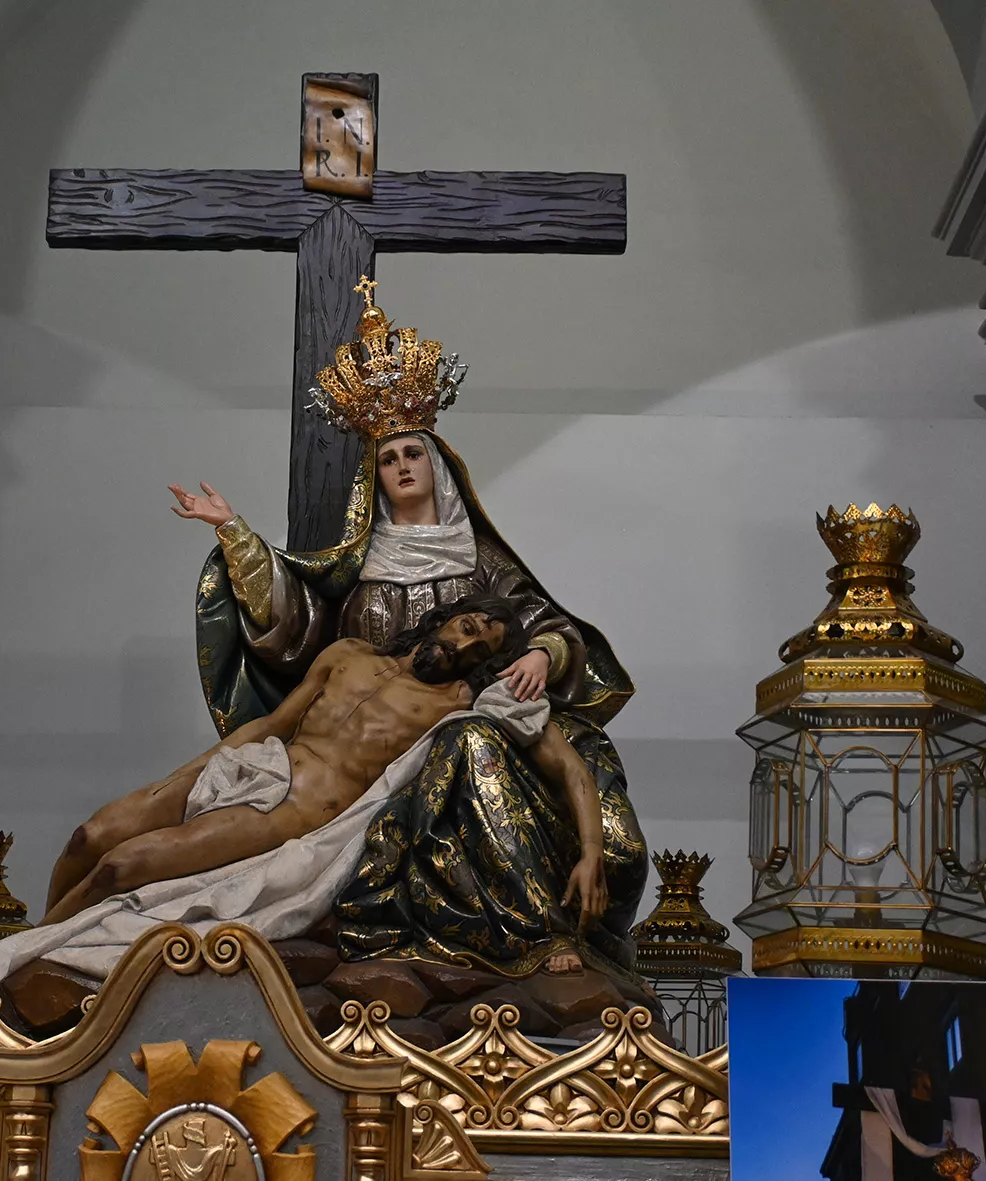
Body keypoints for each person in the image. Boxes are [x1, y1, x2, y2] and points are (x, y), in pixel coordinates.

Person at [172, 277, 646, 982]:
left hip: (476, 715)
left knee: (619, 847)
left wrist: (544, 654)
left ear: (437, 462)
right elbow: (301, 629)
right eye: (388, 458)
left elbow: (549, 625)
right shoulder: (362, 563)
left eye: (411, 453)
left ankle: (543, 925)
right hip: (380, 743)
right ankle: (529, 935)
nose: (400, 465)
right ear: (377, 473)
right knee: (464, 748)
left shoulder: (479, 559)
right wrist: (236, 536)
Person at [41, 598, 609, 939]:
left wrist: (591, 854)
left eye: (481, 648)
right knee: (89, 837)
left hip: (299, 810)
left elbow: (570, 770)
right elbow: (272, 724)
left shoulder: (466, 702)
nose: (465, 646)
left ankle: (22, 960)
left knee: (122, 867)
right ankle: (26, 949)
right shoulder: (348, 654)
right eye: (467, 627)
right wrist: (184, 775)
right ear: (447, 618)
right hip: (259, 765)